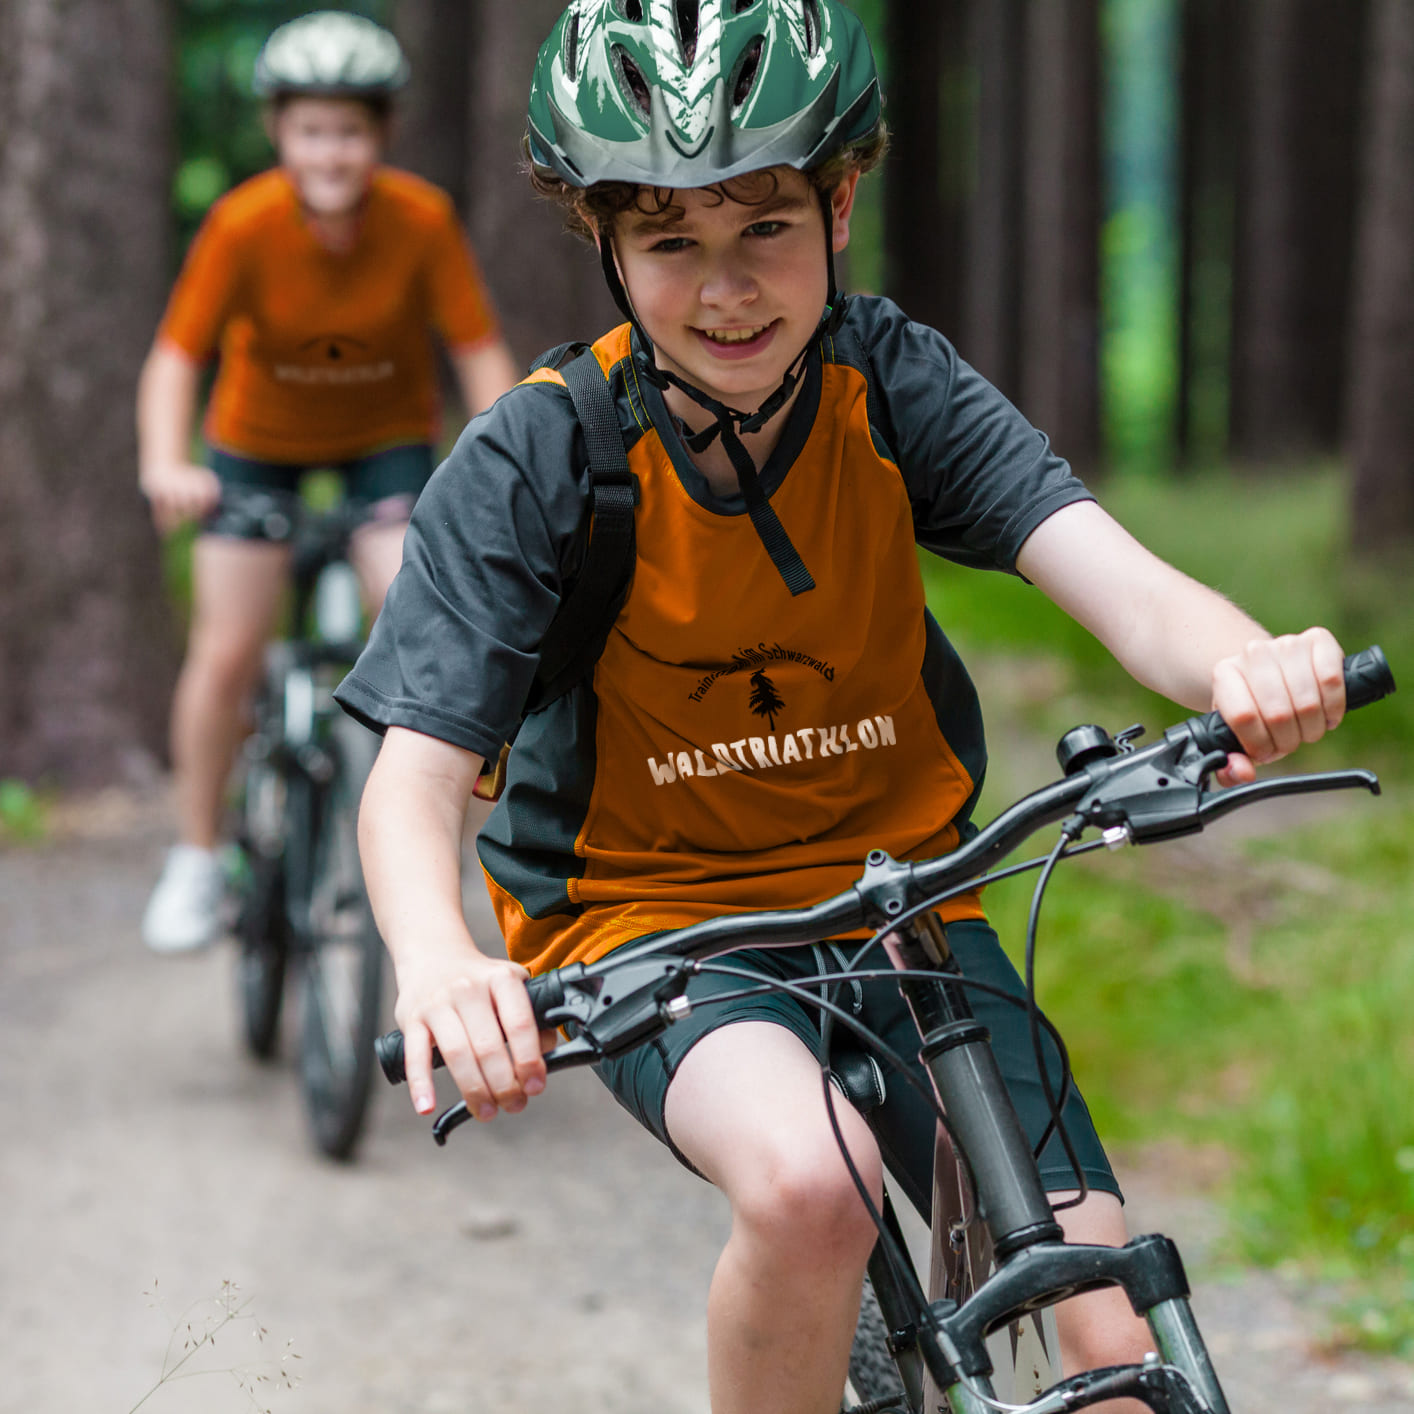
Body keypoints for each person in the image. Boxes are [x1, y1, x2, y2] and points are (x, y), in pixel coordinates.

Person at [335, 4, 1348, 1411]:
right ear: (603, 243)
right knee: (815, 1184)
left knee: (1112, 1342)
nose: (726, 290)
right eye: (669, 242)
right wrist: (442, 960)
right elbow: (413, 777)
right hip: (652, 923)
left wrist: (1246, 658)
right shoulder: (543, 454)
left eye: (764, 228)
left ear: (841, 201)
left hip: (912, 895)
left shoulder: (892, 381)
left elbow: (1117, 581)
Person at [138, 10, 519, 954]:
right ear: (280, 133)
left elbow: (478, 353)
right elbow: (176, 359)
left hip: (383, 445)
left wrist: (508, 463)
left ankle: (424, 844)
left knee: (418, 619)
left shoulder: (421, 221)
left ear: (381, 135)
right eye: (311, 130)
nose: (331, 152)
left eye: (349, 131)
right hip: (254, 447)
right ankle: (194, 856)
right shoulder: (242, 225)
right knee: (227, 650)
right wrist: (167, 463)